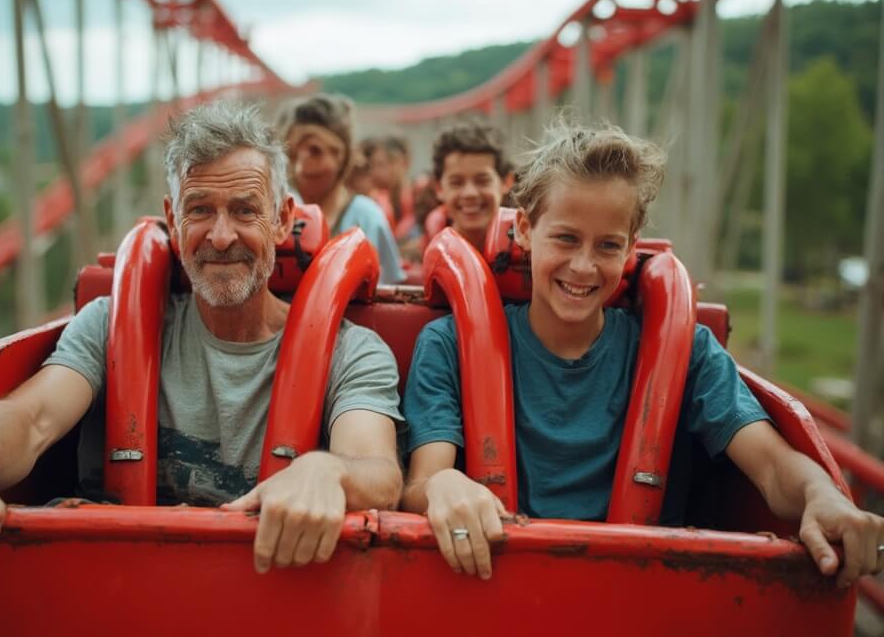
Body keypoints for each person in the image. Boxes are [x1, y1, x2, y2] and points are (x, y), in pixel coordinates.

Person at [0, 101, 405, 575]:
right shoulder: (110, 324)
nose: (221, 237)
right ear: (172, 218)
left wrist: (326, 469)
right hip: (115, 594)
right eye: (200, 210)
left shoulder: (351, 351)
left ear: (283, 220)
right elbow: (31, 418)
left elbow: (378, 472)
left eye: (244, 211)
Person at [401, 119, 884, 584]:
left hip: (643, 598)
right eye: (566, 238)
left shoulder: (685, 350)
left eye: (608, 246)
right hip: (495, 591)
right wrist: (443, 484)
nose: (584, 266)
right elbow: (423, 482)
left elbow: (773, 466)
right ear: (525, 229)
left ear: (632, 247)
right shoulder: (449, 344)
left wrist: (822, 493)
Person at [277, 94, 406, 284]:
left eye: (315, 151)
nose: (300, 167)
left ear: (342, 156)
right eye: (293, 154)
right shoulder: (279, 214)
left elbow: (387, 290)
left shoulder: (367, 217)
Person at [430, 121, 514, 254]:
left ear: (506, 182)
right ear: (439, 188)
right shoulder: (420, 254)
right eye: (456, 182)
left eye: (482, 181)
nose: (470, 193)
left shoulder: (530, 252)